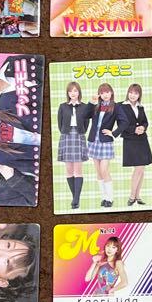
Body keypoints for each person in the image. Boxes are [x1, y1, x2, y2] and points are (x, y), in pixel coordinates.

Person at [114, 83, 152, 207]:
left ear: (139, 95)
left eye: (135, 93)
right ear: (128, 93)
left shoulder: (140, 107)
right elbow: (121, 124)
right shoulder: (120, 106)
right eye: (131, 92)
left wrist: (143, 127)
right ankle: (132, 196)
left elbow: (145, 122)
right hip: (130, 139)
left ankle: (137, 196)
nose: (132, 95)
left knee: (141, 169)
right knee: (139, 168)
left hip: (142, 139)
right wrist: (133, 129)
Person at [58, 81, 92, 210]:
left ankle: (76, 199)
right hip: (66, 136)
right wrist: (66, 132)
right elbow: (60, 123)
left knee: (78, 170)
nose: (73, 93)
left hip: (79, 136)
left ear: (79, 92)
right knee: (68, 170)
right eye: (70, 91)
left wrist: (81, 131)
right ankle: (75, 198)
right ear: (67, 93)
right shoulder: (63, 106)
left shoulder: (84, 107)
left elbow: (86, 123)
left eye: (75, 91)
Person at [86, 83, 120, 209]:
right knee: (98, 171)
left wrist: (113, 133)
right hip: (94, 140)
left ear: (111, 92)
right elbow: (85, 115)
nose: (105, 95)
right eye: (102, 92)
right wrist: (91, 102)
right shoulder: (97, 105)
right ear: (99, 94)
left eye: (107, 92)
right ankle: (104, 198)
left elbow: (124, 122)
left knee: (104, 170)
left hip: (105, 141)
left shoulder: (116, 106)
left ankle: (110, 198)